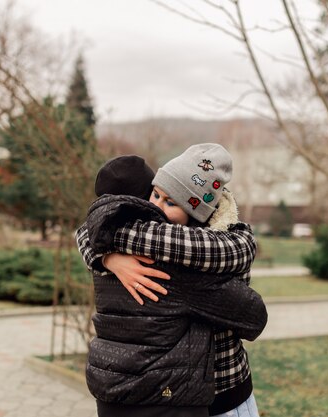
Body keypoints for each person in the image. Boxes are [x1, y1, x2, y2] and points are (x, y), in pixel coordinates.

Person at [77, 145, 264, 417]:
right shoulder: (157, 249)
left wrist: (107, 252)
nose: (157, 207)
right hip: (199, 397)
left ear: (198, 212)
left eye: (172, 202)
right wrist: (107, 257)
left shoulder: (210, 245)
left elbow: (88, 231)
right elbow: (254, 317)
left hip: (219, 391)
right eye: (156, 194)